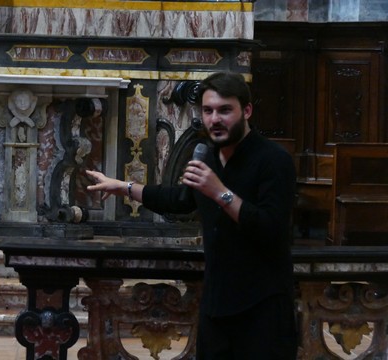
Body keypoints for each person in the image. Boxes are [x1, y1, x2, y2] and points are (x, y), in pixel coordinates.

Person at [86, 71, 298, 359]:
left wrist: (220, 192)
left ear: (246, 111)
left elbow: (270, 228)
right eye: (208, 111)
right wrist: (124, 187)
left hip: (263, 304)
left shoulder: (274, 160)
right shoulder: (209, 156)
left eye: (225, 110)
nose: (215, 119)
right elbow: (182, 199)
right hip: (217, 302)